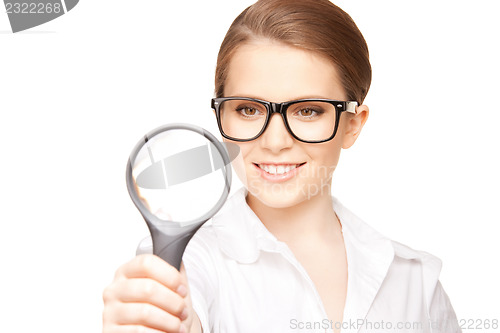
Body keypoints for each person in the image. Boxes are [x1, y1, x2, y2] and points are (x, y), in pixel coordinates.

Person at [102, 0, 461, 332]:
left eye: (307, 110)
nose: (274, 142)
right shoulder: (189, 266)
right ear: (221, 115)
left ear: (353, 124)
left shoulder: (416, 281)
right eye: (248, 110)